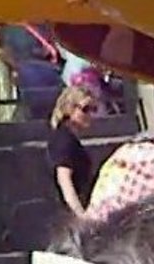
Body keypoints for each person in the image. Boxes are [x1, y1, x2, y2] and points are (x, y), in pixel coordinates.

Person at [48, 86, 96, 217]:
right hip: (71, 216)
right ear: (69, 109)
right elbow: (65, 181)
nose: (91, 115)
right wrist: (82, 216)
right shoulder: (64, 140)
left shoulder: (67, 137)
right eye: (85, 109)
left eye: (94, 109)